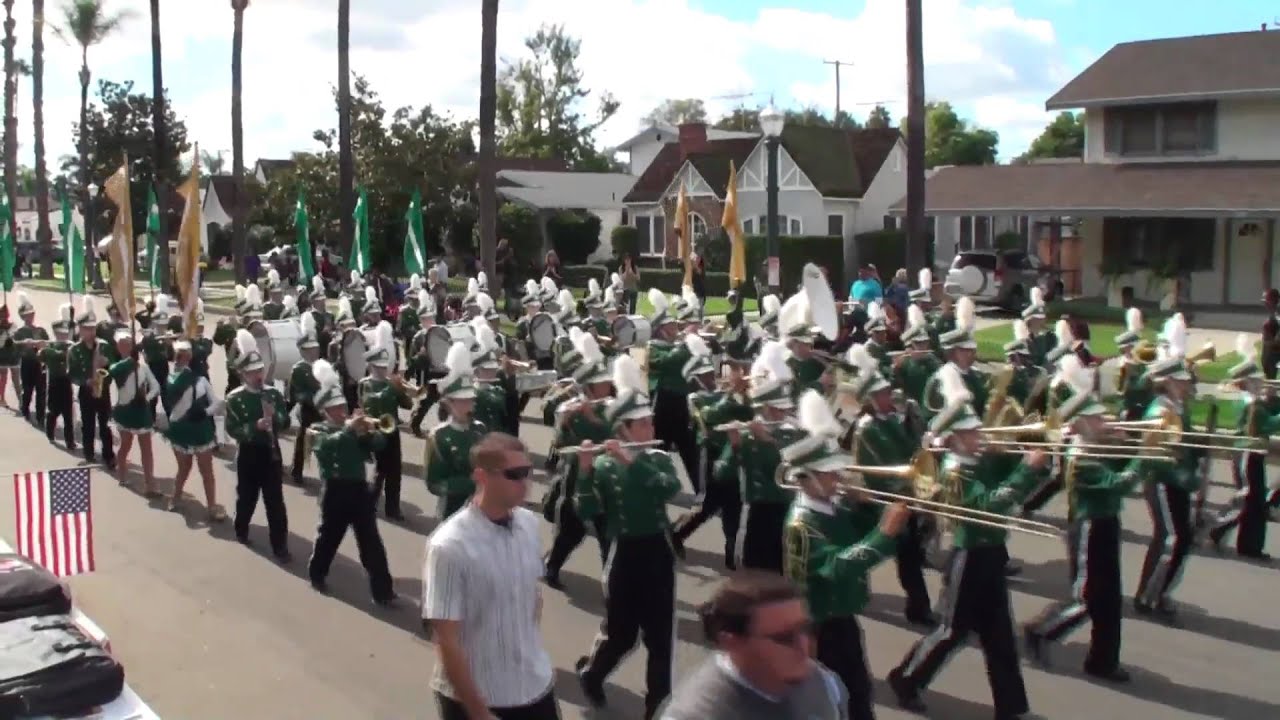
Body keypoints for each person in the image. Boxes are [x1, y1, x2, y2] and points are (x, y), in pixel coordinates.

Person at [887, 364, 1049, 720]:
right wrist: (1026, 469)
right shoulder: (956, 471)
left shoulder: (979, 460)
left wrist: (1031, 455)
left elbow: (1017, 481)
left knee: (1000, 637)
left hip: (990, 552)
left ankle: (1012, 707)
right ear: (955, 438)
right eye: (972, 432)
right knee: (950, 631)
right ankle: (906, 678)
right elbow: (986, 506)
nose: (980, 435)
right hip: (969, 554)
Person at [782, 390, 910, 720]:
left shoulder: (830, 506)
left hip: (842, 616)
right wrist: (885, 534)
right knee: (832, 702)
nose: (838, 478)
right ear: (806, 477)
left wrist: (867, 510)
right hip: (820, 626)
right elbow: (837, 566)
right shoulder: (801, 523)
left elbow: (858, 536)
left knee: (858, 695)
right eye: (829, 473)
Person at [1023, 356, 1150, 683]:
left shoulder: (1096, 447)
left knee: (1110, 600)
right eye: (1095, 419)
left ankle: (1103, 661)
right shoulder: (1079, 459)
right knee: (1086, 598)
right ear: (1078, 425)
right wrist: (1143, 454)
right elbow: (1118, 483)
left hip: (1107, 523)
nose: (1102, 423)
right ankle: (1041, 630)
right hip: (1088, 528)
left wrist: (1129, 444)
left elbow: (1119, 470)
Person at [575, 354, 683, 719]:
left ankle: (657, 709)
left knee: (661, 640)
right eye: (643, 423)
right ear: (622, 429)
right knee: (621, 634)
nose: (651, 426)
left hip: (657, 551)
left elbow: (668, 489)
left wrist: (634, 461)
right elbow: (586, 511)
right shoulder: (604, 466)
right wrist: (586, 472)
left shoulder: (657, 458)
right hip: (624, 554)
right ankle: (593, 673)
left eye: (650, 420)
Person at [424, 432, 558, 720]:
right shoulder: (449, 546)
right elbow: (446, 639)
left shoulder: (528, 524)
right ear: (481, 476)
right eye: (514, 475)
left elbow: (532, 594)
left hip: (533, 684)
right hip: (481, 698)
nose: (525, 484)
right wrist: (478, 712)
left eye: (527, 473)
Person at [656, 571, 850, 720]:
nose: (804, 647)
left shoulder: (824, 683)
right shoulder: (698, 713)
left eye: (806, 628)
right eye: (783, 638)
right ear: (732, 642)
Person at [844, 345, 934, 627]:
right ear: (870, 399)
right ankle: (850, 590)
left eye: (888, 391)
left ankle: (918, 607)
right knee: (871, 551)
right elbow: (882, 467)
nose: (889, 396)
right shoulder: (867, 427)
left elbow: (911, 453)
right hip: (878, 498)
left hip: (900, 494)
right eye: (882, 394)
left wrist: (912, 426)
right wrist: (908, 491)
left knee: (907, 555)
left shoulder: (893, 419)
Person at [306, 359, 397, 605]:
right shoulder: (316, 429)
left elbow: (379, 445)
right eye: (335, 408)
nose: (341, 411)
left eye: (342, 406)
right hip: (335, 491)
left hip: (359, 490)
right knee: (328, 539)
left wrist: (370, 432)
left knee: (372, 544)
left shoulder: (354, 429)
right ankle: (317, 574)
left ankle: (383, 592)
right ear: (324, 410)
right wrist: (349, 430)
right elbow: (326, 447)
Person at [1133, 315, 1203, 624]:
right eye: (1185, 381)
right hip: (1161, 480)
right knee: (1172, 537)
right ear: (1171, 381)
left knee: (1181, 538)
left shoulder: (1178, 407)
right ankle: (1148, 595)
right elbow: (1155, 455)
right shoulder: (1160, 410)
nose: (1190, 385)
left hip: (1177, 479)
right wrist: (1184, 476)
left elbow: (1184, 444)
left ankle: (1160, 592)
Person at [542, 333, 613, 588]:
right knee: (571, 532)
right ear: (589, 388)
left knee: (608, 535)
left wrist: (596, 420)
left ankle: (613, 582)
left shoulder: (614, 409)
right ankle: (551, 567)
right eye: (602, 383)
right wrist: (570, 415)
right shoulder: (569, 411)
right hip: (575, 480)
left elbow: (618, 437)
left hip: (606, 478)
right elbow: (560, 445)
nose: (608, 386)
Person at [1207, 336, 1280, 558]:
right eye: (1256, 380)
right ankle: (1239, 541)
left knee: (1253, 502)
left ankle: (1228, 535)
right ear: (1247, 382)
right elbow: (1267, 424)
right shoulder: (1253, 405)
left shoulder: (1252, 401)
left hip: (1251, 452)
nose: (1262, 382)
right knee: (1253, 502)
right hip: (1250, 453)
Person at [224, 329, 292, 562]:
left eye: (260, 370)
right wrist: (255, 427)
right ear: (243, 374)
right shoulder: (235, 398)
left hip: (271, 453)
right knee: (247, 497)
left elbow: (286, 421)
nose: (257, 376)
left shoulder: (273, 394)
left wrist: (276, 419)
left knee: (275, 503)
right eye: (252, 372)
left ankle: (280, 546)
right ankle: (241, 529)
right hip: (249, 453)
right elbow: (232, 429)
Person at [163, 339, 225, 521]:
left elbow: (218, 404)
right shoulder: (170, 379)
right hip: (180, 429)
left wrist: (204, 412)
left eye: (182, 357)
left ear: (188, 358)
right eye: (176, 357)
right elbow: (171, 408)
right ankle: (175, 497)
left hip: (200, 430)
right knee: (184, 468)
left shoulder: (200, 381)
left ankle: (212, 506)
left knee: (206, 470)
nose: (178, 360)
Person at [426, 341, 488, 519]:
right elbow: (433, 483)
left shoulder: (480, 430)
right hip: (452, 510)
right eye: (462, 401)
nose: (468, 405)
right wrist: (469, 484)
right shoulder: (439, 436)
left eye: (470, 400)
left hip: (481, 508)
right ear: (449, 403)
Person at [358, 321, 411, 520]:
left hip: (393, 428)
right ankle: (370, 504)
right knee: (379, 471)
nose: (382, 370)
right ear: (371, 366)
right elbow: (365, 404)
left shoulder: (392, 383)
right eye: (378, 367)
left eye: (384, 366)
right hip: (376, 429)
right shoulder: (365, 384)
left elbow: (407, 405)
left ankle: (393, 507)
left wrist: (402, 390)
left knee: (395, 472)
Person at [107, 330, 162, 495]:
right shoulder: (118, 366)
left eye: (128, 344)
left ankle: (150, 484)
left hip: (141, 411)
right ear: (118, 347)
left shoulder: (143, 367)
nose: (125, 347)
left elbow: (156, 386)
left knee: (147, 449)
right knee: (125, 445)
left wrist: (146, 398)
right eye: (122, 344)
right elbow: (113, 371)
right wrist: (130, 361)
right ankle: (122, 475)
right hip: (125, 411)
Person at [67, 299, 113, 466]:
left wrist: (106, 364)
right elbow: (72, 373)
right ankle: (89, 453)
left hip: (103, 390)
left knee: (105, 425)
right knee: (88, 425)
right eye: (87, 328)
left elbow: (114, 369)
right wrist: (85, 381)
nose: (91, 332)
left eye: (93, 328)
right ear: (80, 329)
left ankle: (109, 456)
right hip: (86, 391)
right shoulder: (75, 350)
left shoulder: (104, 346)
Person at [289, 312, 324, 485]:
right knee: (303, 442)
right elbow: (295, 393)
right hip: (308, 410)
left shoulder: (322, 365)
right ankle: (297, 471)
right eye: (310, 349)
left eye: (315, 348)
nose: (314, 352)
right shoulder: (298, 369)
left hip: (323, 410)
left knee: (324, 442)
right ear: (303, 350)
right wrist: (311, 399)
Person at [41, 304, 75, 449]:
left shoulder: (71, 346)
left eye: (65, 333)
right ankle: (50, 433)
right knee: (53, 412)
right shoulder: (51, 348)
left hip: (66, 382)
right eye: (61, 334)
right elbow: (48, 356)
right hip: (54, 382)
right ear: (55, 333)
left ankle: (69, 441)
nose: (64, 336)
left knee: (68, 415)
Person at [0, 304, 18, 407]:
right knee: (3, 376)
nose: (3, 318)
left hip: (8, 355)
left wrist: (8, 331)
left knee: (6, 377)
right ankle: (2, 398)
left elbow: (14, 335)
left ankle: (3, 397)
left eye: (5, 315)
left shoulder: (12, 326)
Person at [1262, 289, 1280, 380]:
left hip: (1274, 354)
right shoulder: (1273, 315)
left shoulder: (1277, 317)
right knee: (1270, 381)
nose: (1264, 303)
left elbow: (1277, 340)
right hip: (1270, 355)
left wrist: (1269, 343)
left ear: (1272, 301)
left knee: (1271, 384)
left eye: (1266, 300)